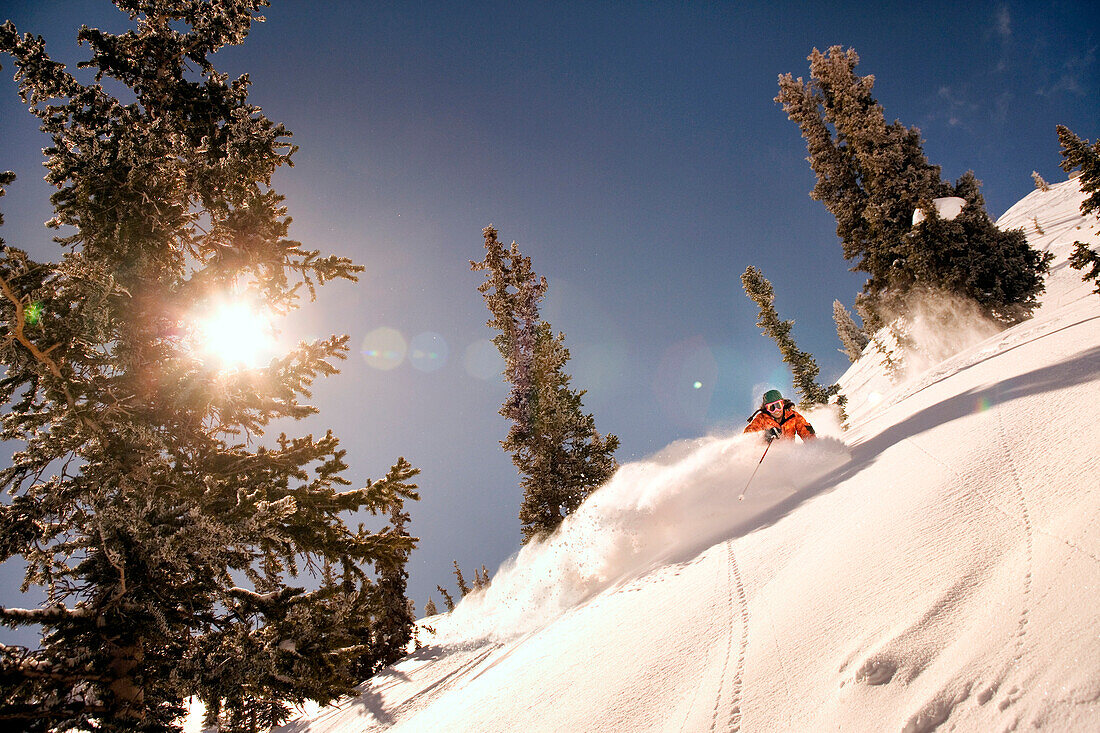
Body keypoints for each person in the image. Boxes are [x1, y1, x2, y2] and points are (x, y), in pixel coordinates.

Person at [744, 389, 816, 442]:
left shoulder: (793, 416)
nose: (776, 410)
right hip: (769, 455)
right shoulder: (762, 419)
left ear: (783, 404)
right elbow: (748, 435)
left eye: (778, 405)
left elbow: (807, 433)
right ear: (766, 409)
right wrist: (764, 435)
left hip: (789, 455)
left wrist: (814, 446)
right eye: (771, 407)